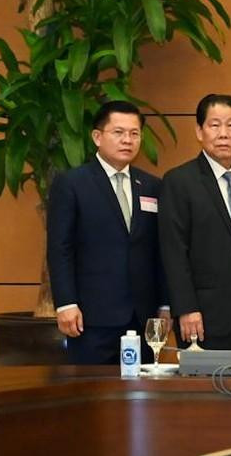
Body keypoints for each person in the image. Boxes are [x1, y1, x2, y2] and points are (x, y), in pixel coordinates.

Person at [46, 101, 166, 364]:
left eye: (134, 134)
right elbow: (60, 248)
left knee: (140, 401)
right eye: (119, 132)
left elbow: (160, 251)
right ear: (97, 137)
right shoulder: (72, 184)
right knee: (94, 397)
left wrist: (165, 305)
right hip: (91, 318)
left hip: (141, 316)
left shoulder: (152, 185)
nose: (127, 140)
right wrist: (65, 303)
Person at [159, 93, 231, 349]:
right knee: (208, 387)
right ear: (199, 131)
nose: (224, 134)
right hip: (207, 313)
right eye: (214, 125)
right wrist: (186, 308)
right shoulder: (179, 181)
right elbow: (173, 250)